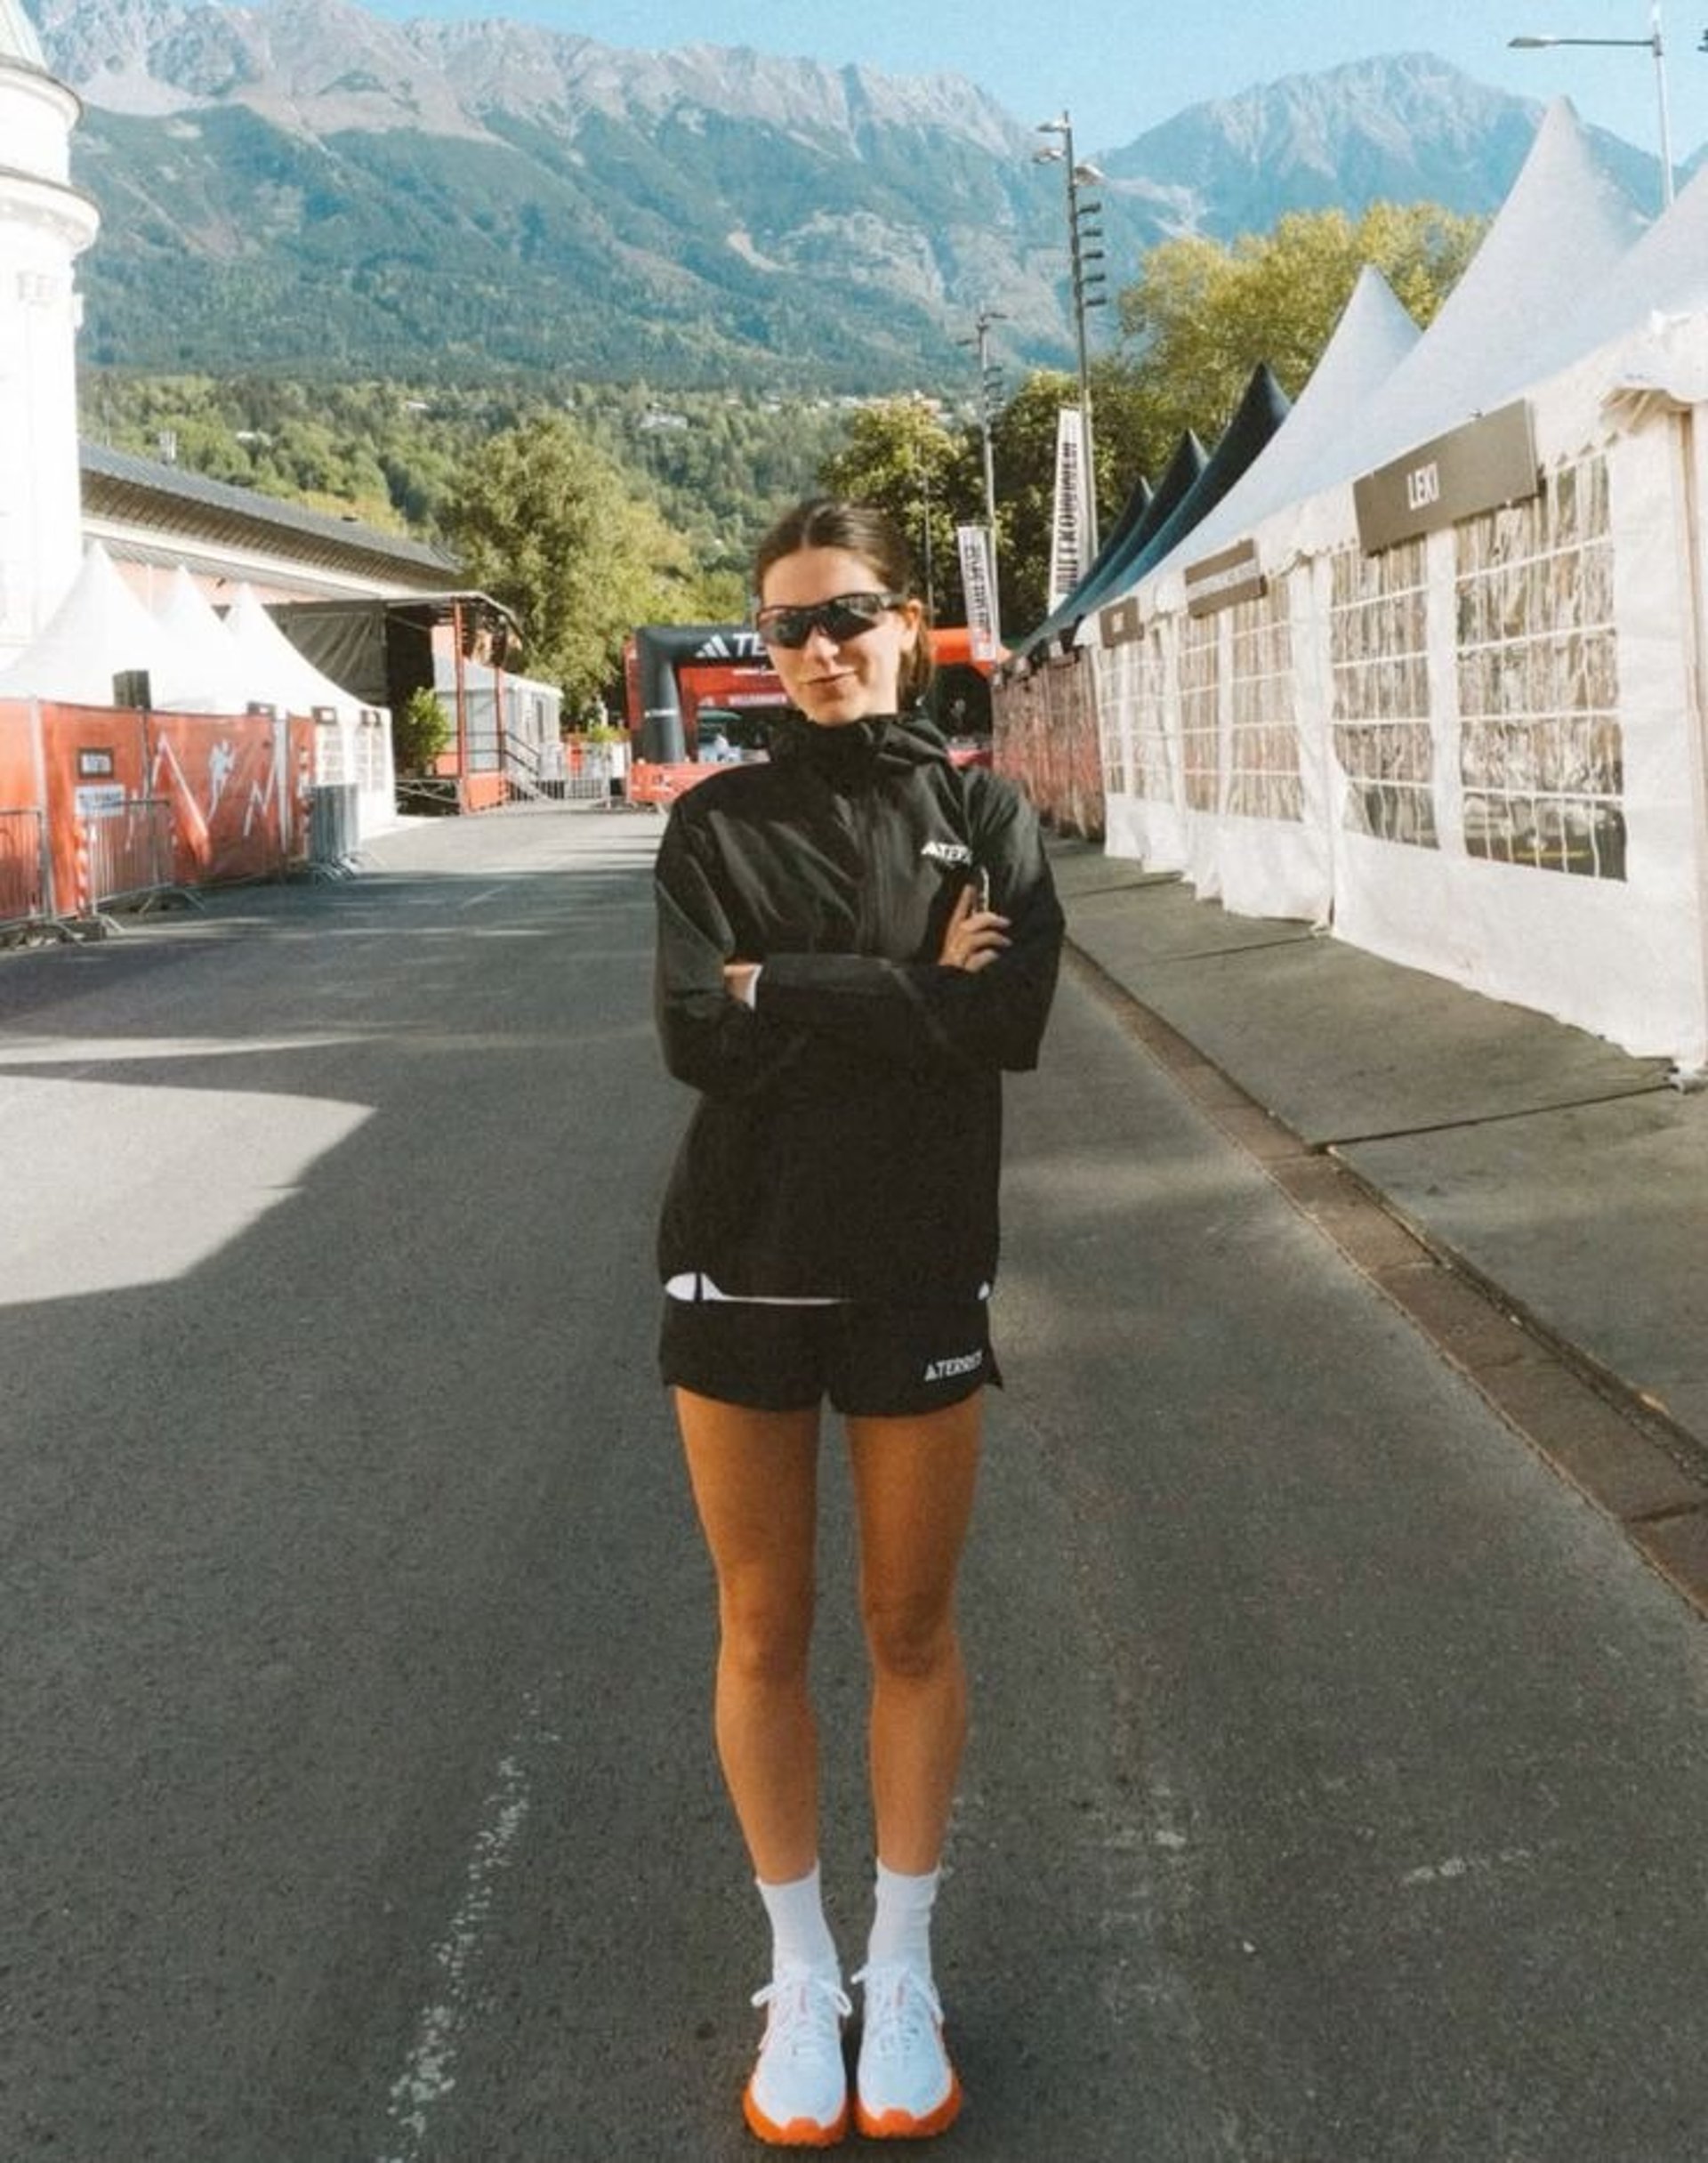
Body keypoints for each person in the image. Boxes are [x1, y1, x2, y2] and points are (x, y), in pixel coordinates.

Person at [652, 497, 1063, 2146]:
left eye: (849, 615)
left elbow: (1008, 1020)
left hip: (918, 1264)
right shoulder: (714, 826)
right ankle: (801, 1966)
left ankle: (902, 1964)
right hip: (741, 1263)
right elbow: (696, 1035)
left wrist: (784, 983)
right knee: (763, 1630)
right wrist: (911, 992)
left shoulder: (985, 814)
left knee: (908, 1629)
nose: (822, 648)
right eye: (789, 626)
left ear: (907, 625)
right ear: (766, 647)